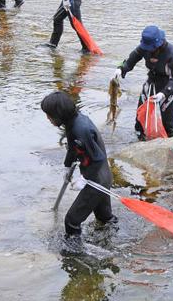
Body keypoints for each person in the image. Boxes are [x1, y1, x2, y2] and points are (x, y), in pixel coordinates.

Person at [41, 91, 116, 237]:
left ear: (59, 113)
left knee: (71, 221)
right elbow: (72, 147)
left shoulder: (81, 129)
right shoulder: (72, 121)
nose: (48, 118)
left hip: (97, 181)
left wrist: (84, 179)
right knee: (105, 218)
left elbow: (98, 158)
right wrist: (67, 166)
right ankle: (112, 243)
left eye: (49, 114)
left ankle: (74, 257)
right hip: (102, 177)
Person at [113, 25, 173, 139]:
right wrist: (121, 69)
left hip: (167, 85)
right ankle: (139, 139)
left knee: (168, 124)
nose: (148, 50)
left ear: (158, 44)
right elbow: (131, 60)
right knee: (140, 119)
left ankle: (169, 143)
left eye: (151, 48)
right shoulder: (144, 47)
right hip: (151, 81)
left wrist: (164, 93)